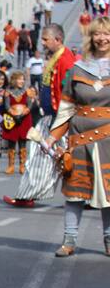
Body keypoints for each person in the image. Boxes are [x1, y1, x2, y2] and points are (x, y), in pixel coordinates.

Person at [47, 16, 110, 257]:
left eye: (106, 34)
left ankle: (109, 240)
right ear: (91, 38)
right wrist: (53, 137)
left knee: (108, 194)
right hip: (79, 138)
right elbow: (66, 108)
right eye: (97, 34)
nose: (102, 38)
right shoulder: (77, 69)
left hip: (108, 141)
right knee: (75, 192)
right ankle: (69, 240)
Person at [4, 23, 77, 207]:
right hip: (51, 117)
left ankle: (83, 196)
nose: (42, 43)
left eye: (45, 39)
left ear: (57, 40)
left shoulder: (65, 60)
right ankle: (28, 195)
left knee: (59, 157)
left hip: (59, 119)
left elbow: (69, 93)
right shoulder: (56, 58)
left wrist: (64, 120)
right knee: (44, 156)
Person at [0, 71, 34, 174]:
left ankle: (22, 165)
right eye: (19, 79)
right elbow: (7, 105)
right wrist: (14, 115)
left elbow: (29, 105)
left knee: (22, 143)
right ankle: (11, 166)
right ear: (14, 80)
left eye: (23, 79)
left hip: (24, 118)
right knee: (12, 143)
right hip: (12, 119)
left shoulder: (27, 91)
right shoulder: (8, 92)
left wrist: (22, 115)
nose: (21, 81)